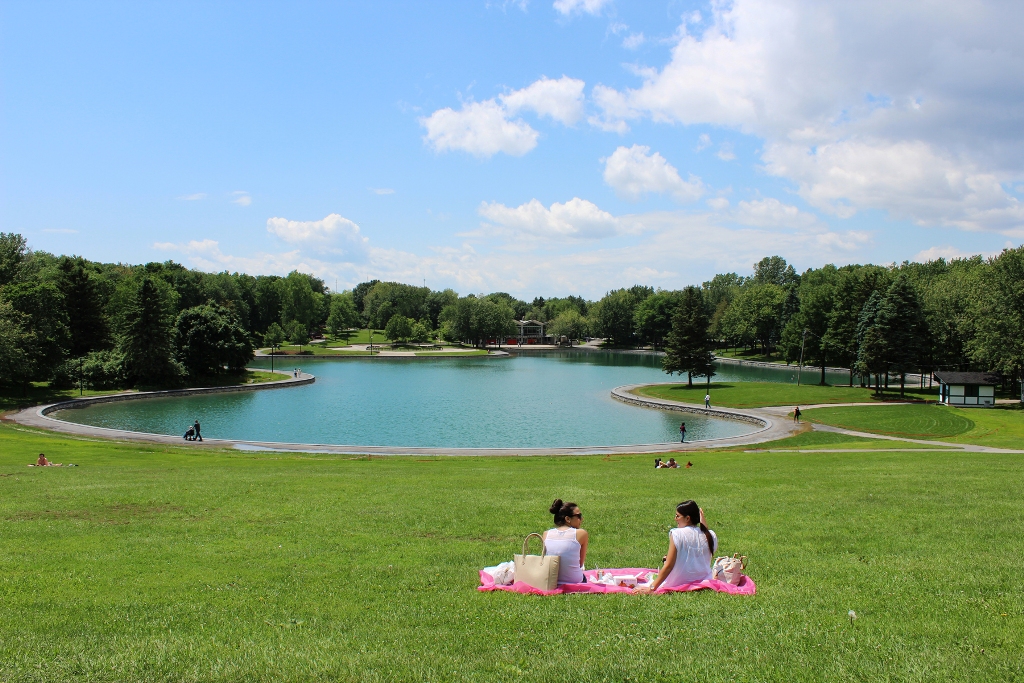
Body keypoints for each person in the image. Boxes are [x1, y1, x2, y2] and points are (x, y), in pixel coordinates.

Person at [637, 500, 717, 593]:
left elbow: (669, 566)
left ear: (687, 518)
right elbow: (698, 552)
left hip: (679, 583)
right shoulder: (710, 535)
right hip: (704, 582)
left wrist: (651, 588)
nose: (675, 519)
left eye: (677, 516)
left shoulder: (677, 534)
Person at [542, 499, 588, 585]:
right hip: (574, 581)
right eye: (579, 516)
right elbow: (580, 564)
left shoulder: (546, 534)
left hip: (551, 582)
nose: (582, 519)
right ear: (567, 519)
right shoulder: (581, 534)